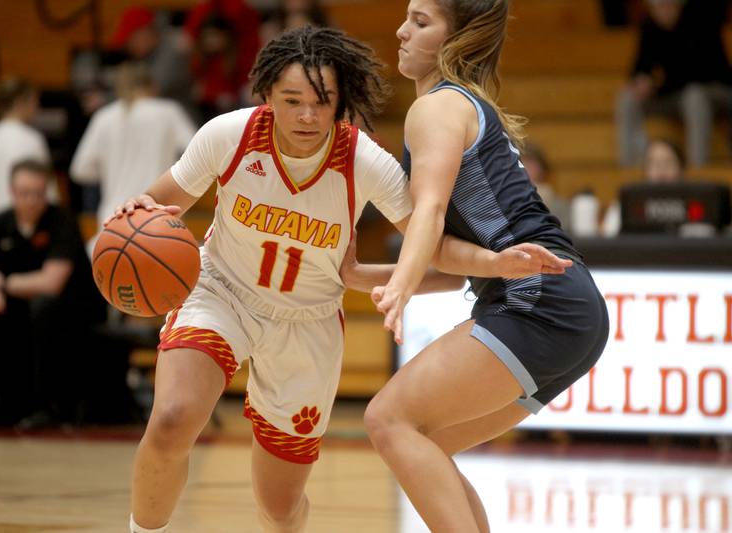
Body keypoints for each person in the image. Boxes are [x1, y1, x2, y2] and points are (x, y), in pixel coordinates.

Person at [113, 26, 568, 533]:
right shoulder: (230, 135)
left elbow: (432, 247)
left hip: (307, 323)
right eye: (292, 101)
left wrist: (493, 263)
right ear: (266, 96)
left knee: (281, 508)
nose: (307, 115)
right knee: (173, 418)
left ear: (340, 102)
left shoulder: (364, 160)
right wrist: (136, 214)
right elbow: (159, 205)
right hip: (222, 291)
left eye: (322, 101)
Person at [338, 2, 610, 531]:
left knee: (389, 420)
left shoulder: (436, 109)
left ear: (455, 38)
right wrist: (368, 276)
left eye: (420, 21)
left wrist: (398, 287)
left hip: (538, 301)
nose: (401, 30)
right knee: (426, 443)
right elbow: (457, 261)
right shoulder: (462, 106)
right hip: (565, 304)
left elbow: (431, 213)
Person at [0, 159, 104, 426]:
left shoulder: (62, 220)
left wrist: (2, 283)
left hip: (74, 311)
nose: (31, 200)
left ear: (47, 192)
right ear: (12, 192)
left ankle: (47, 407)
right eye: (24, 193)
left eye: (38, 193)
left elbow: (51, 283)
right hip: (23, 306)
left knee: (42, 307)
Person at [70, 61, 195, 250]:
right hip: (158, 219)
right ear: (153, 86)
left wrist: (111, 169)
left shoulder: (104, 116)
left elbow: (80, 170)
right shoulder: (168, 112)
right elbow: (197, 153)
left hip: (112, 220)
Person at [616, 0, 732, 167]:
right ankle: (628, 169)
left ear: (679, 5)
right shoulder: (649, 27)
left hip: (713, 91)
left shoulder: (701, 21)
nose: (663, 12)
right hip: (674, 94)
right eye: (658, 7)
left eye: (667, 5)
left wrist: (657, 83)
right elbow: (639, 67)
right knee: (627, 97)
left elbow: (700, 73)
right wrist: (642, 80)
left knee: (694, 95)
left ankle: (698, 169)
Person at [0, 77, 55, 215]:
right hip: (28, 216)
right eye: (34, 101)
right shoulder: (31, 138)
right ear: (20, 102)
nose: (38, 107)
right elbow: (46, 185)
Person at [602, 137, 685, 236]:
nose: (661, 170)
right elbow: (608, 241)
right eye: (654, 163)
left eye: (668, 162)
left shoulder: (696, 207)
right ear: (645, 170)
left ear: (681, 168)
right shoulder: (623, 205)